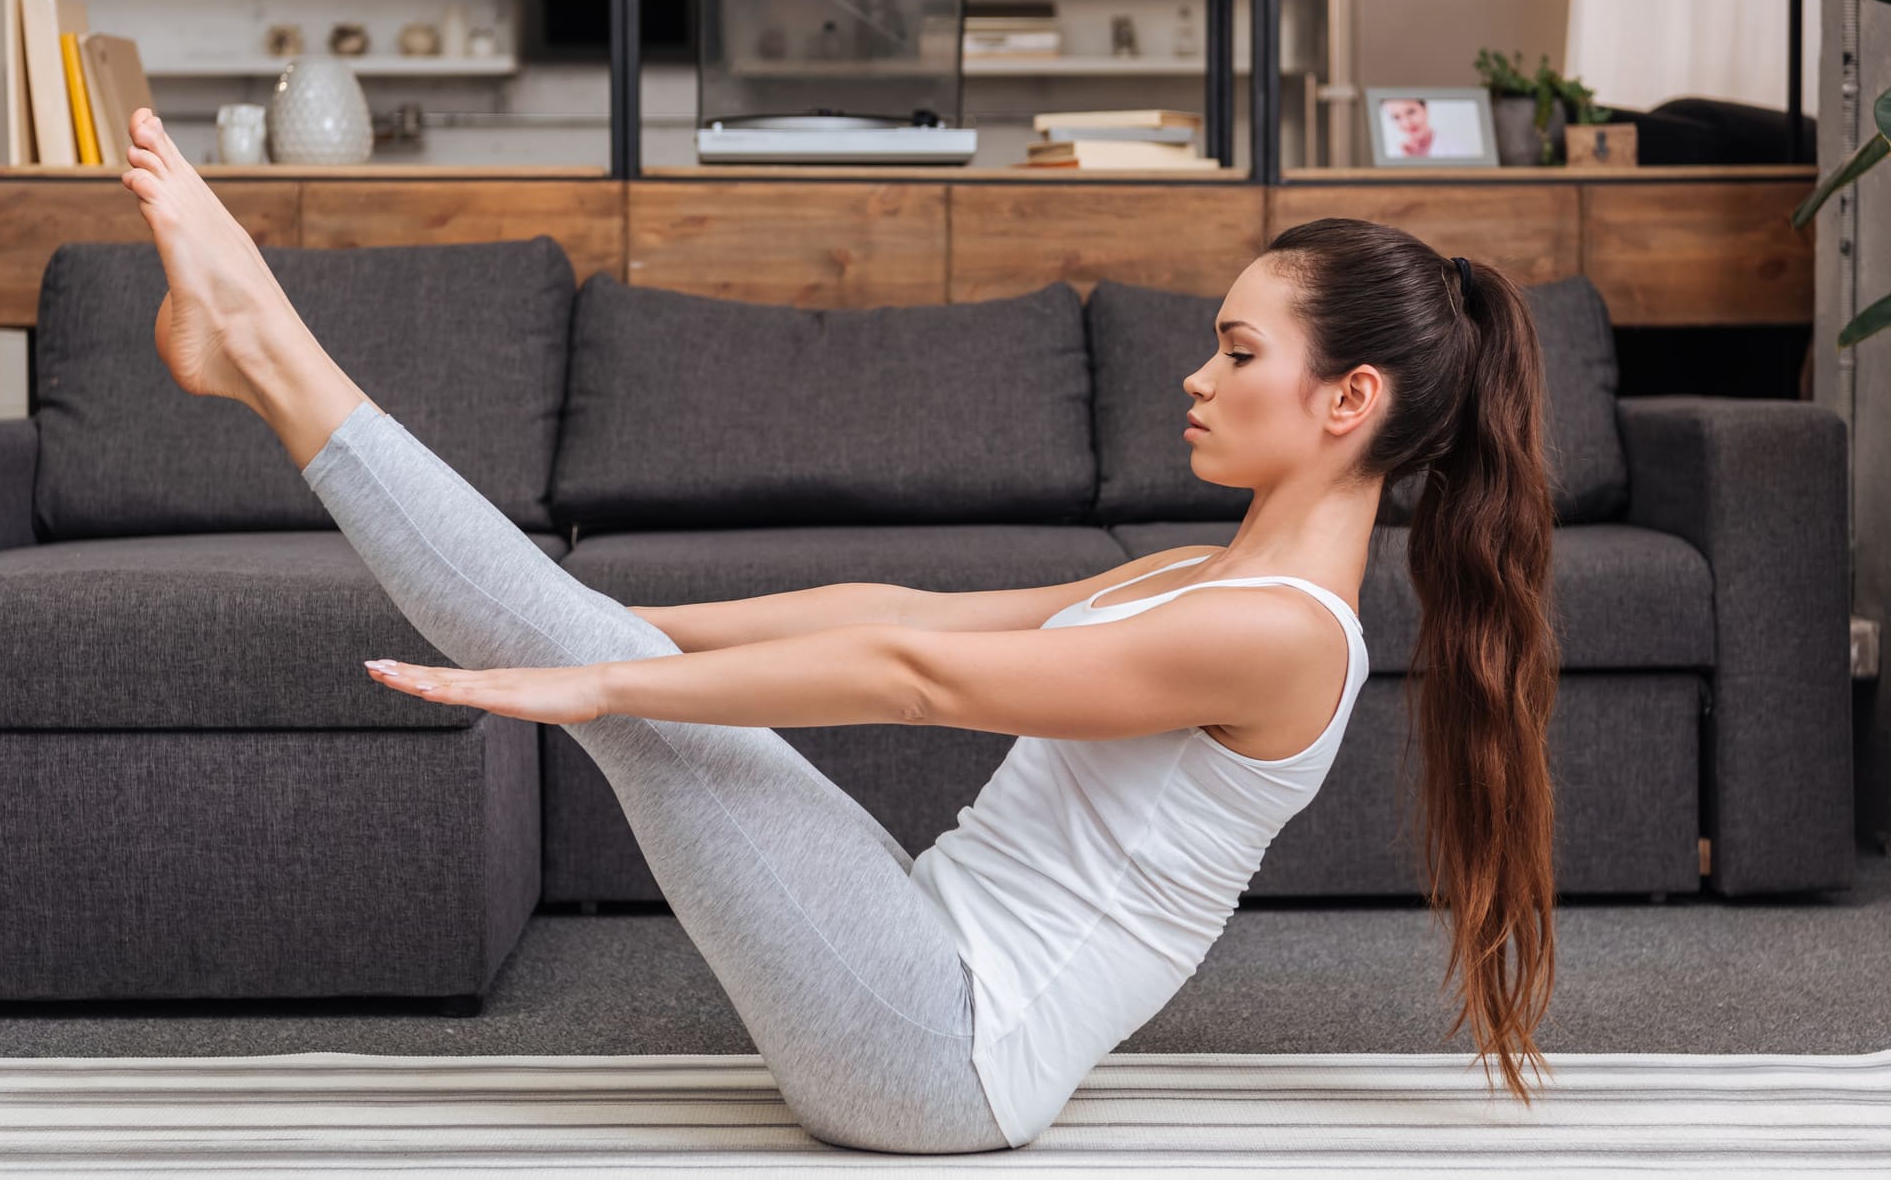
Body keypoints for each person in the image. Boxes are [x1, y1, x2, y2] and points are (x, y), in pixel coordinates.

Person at [116, 106, 1559, 1154]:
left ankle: (263, 343)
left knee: (622, 692)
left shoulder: (1289, 637)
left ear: (1347, 400)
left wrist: (602, 676)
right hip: (908, 959)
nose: (1196, 376)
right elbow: (900, 610)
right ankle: (252, 351)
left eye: (1239, 353)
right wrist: (623, 629)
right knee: (613, 663)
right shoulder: (1207, 570)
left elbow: (922, 679)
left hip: (935, 1053)